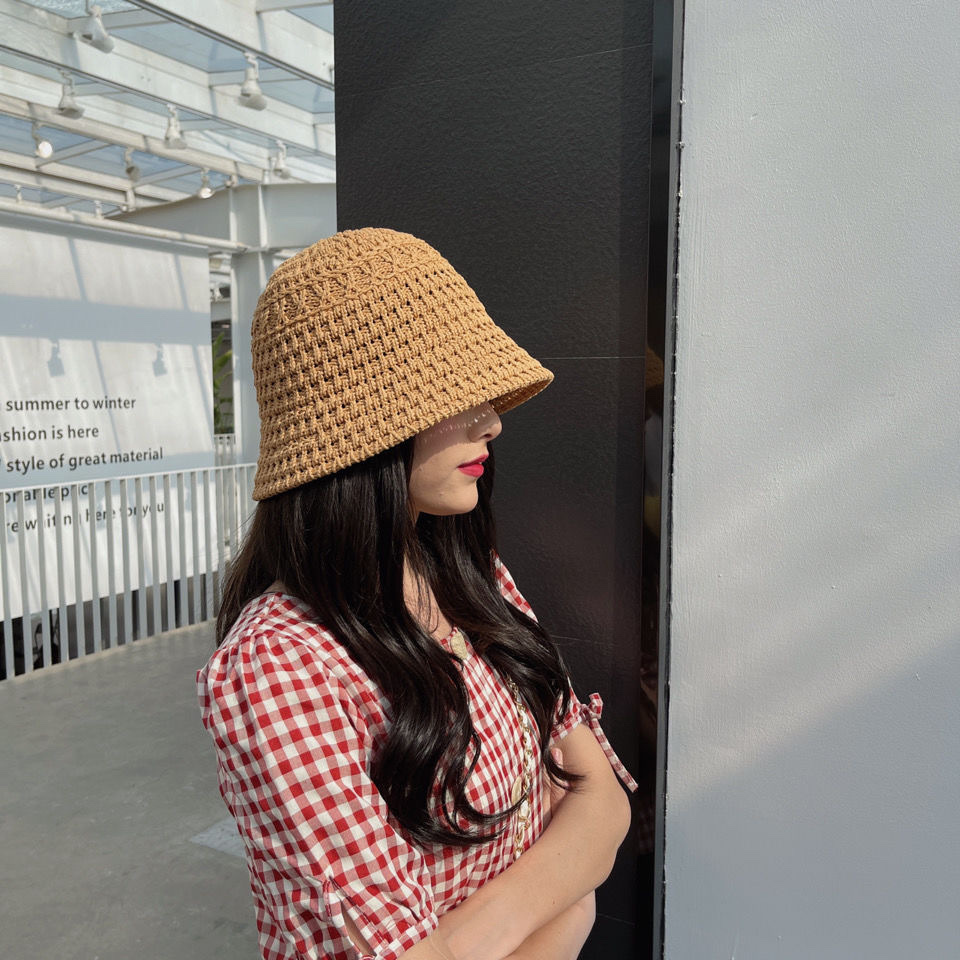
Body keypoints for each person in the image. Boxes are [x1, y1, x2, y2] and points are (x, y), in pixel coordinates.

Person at [197, 228, 638, 960]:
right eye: (453, 396)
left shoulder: (468, 574)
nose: (491, 420)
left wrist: (485, 926)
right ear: (359, 429)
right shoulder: (282, 667)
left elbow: (604, 804)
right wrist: (562, 898)